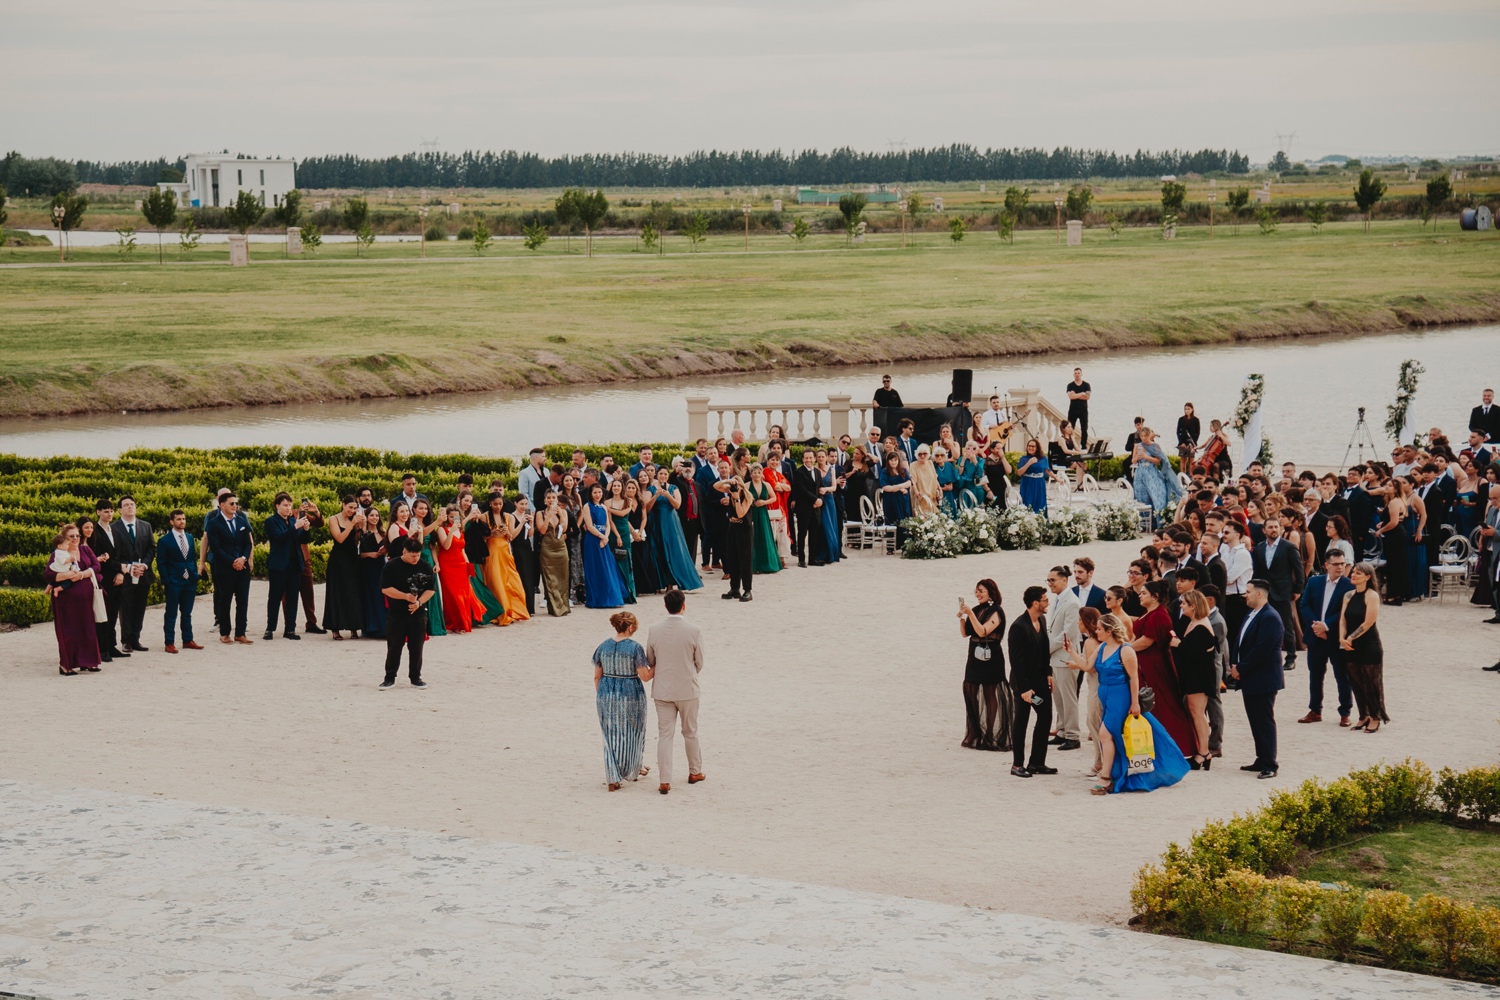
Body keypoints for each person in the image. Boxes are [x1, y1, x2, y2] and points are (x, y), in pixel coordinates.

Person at [1067, 614, 1190, 794]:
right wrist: (1071, 651)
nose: (1096, 631)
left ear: (1110, 630)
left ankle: (1105, 777)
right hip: (1106, 696)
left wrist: (1134, 703)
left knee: (1105, 734)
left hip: (1120, 696)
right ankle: (1112, 773)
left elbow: (1134, 678)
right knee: (1113, 735)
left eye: (1100, 629)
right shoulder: (1102, 647)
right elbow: (1087, 666)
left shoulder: (1126, 650)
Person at [647, 589, 705, 795]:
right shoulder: (694, 630)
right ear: (684, 605)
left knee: (665, 735)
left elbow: (650, 660)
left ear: (665, 606)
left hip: (663, 689)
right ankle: (694, 771)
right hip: (687, 689)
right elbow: (700, 661)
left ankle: (664, 780)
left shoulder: (654, 630)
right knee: (690, 732)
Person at [1129, 580, 1197, 758]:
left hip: (1156, 665)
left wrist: (1124, 650)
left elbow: (1147, 641)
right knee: (1152, 706)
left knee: (1165, 704)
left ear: (1155, 597)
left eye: (1144, 593)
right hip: (1144, 663)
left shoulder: (1159, 615)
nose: (1140, 595)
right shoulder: (1148, 613)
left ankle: (1183, 746)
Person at [1231, 580, 1285, 779]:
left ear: (1259, 594)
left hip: (1263, 677)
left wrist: (1241, 668)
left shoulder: (1270, 617)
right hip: (1250, 676)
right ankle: (1261, 758)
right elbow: (1241, 641)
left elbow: (1262, 649)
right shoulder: (1252, 614)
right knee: (1255, 720)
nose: (1245, 595)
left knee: (1264, 721)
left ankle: (1270, 763)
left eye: (1248, 592)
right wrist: (1235, 663)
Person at [593, 611, 653, 791]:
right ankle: (632, 768)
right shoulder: (635, 648)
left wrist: (603, 694)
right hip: (630, 693)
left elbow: (597, 676)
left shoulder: (603, 646)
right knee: (633, 732)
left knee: (610, 734)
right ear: (631, 627)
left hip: (606, 693)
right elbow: (645, 676)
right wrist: (658, 665)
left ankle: (613, 777)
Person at [1298, 549, 1354, 727]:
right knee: (1315, 675)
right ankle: (1315, 710)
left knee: (1342, 676)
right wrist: (1316, 626)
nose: (1340, 567)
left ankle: (1345, 712)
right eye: (1336, 564)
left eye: (1342, 564)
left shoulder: (1349, 585)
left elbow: (1346, 611)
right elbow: (1304, 604)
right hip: (1316, 636)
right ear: (1326, 565)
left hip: (1336, 637)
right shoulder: (1314, 582)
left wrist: (1326, 626)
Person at [1007, 586, 1055, 778]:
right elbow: (1016, 661)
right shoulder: (1018, 627)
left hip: (1040, 681)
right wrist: (1024, 689)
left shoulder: (1041, 620)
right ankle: (1017, 764)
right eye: (1045, 600)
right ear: (1035, 603)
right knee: (1021, 721)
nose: (1048, 603)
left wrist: (1048, 672)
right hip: (1024, 685)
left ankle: (1036, 762)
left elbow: (1045, 649)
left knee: (1045, 717)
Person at [958, 579, 1010, 752]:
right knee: (970, 690)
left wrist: (970, 615)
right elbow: (966, 633)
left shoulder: (996, 611)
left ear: (990, 592)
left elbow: (983, 631)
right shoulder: (976, 609)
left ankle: (989, 735)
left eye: (981, 591)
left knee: (990, 693)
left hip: (991, 656)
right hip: (974, 655)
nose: (977, 594)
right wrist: (962, 618)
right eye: (976, 591)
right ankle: (975, 732)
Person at [44, 523, 104, 674]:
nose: (75, 538)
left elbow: (97, 566)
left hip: (86, 600)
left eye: (77, 535)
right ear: (64, 538)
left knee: (87, 629)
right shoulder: (58, 554)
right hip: (66, 601)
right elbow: (48, 574)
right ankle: (66, 665)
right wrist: (67, 575)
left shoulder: (85, 549)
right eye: (71, 536)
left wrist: (82, 574)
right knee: (69, 632)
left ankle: (88, 662)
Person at [378, 537, 433, 688]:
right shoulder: (391, 566)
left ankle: (415, 677)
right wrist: (405, 596)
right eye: (412, 555)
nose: (416, 559)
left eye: (418, 555)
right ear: (404, 552)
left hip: (418, 613)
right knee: (394, 646)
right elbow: (385, 589)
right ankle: (389, 677)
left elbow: (430, 589)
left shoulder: (425, 566)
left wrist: (419, 602)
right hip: (397, 613)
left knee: (417, 647)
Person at [1340, 563, 1389, 731]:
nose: (1353, 575)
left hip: (1369, 644)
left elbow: (1368, 622)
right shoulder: (1348, 595)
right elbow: (1343, 620)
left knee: (1372, 683)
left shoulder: (1372, 595)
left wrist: (1350, 638)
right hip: (1349, 644)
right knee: (1356, 682)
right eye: (1353, 572)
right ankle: (1363, 715)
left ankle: (1375, 716)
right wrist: (1341, 639)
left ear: (1367, 577)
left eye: (1358, 573)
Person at [1170, 590, 1216, 769]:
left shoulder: (1202, 626)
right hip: (1193, 675)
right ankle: (1201, 751)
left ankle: (1204, 752)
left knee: (1198, 713)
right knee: (1195, 712)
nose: (1181, 606)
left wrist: (1179, 644)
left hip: (1200, 676)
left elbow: (1198, 654)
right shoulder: (1193, 622)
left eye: (1184, 603)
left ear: (1193, 606)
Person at [1253, 515, 1304, 670]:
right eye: (1270, 527)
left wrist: (1298, 589)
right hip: (1265, 593)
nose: (1274, 530)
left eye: (1276, 527)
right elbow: (1258, 571)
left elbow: (1299, 569)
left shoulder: (1288, 547)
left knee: (1286, 626)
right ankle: (1267, 656)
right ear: (1264, 530)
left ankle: (1291, 657)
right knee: (1265, 625)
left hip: (1283, 592)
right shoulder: (1260, 547)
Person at [205, 492, 254, 645]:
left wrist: (243, 559)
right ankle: (225, 633)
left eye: (236, 503)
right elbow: (216, 548)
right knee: (224, 601)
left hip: (242, 567)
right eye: (231, 503)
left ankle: (240, 633)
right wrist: (232, 561)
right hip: (224, 569)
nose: (235, 506)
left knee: (243, 601)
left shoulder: (241, 521)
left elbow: (248, 543)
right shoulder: (213, 523)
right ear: (222, 505)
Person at [109, 495, 155, 652]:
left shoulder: (145, 526)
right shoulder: (114, 528)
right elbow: (114, 552)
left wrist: (144, 565)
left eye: (132, 504)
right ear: (120, 510)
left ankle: (136, 639)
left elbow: (151, 548)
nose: (130, 506)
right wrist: (128, 567)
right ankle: (126, 640)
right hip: (125, 574)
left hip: (143, 573)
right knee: (126, 609)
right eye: (126, 505)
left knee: (140, 608)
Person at [1044, 566, 1083, 752]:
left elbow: (1069, 632)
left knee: (1068, 698)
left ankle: (1073, 735)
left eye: (1053, 580)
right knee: (1058, 697)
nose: (1050, 584)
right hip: (1056, 657)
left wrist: (1047, 648)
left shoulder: (1072, 602)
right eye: (1048, 580)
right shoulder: (1058, 600)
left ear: (1064, 580)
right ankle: (1062, 730)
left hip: (1067, 657)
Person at [263, 492, 310, 642]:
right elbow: (279, 537)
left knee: (293, 598)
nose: (288, 508)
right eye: (285, 505)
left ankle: (290, 629)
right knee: (274, 598)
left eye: (290, 505)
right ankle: (270, 628)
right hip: (278, 565)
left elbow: (303, 540)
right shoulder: (271, 521)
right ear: (277, 506)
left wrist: (306, 529)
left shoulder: (293, 521)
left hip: (294, 565)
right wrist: (296, 527)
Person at [153, 508, 201, 654]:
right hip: (173, 581)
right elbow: (161, 562)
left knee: (187, 613)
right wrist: (166, 580)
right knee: (171, 613)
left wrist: (194, 574)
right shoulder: (164, 540)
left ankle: (187, 640)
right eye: (179, 519)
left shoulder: (190, 537)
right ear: (172, 522)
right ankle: (169, 642)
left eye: (183, 519)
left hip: (189, 581)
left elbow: (192, 557)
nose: (182, 522)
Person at [649, 465, 703, 591]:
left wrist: (668, 495)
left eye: (665, 474)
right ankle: (660, 582)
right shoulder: (651, 489)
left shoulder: (674, 488)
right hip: (657, 522)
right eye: (661, 474)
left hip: (671, 522)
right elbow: (647, 508)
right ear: (657, 475)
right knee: (658, 550)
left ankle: (672, 583)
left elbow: (677, 505)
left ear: (668, 476)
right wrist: (655, 496)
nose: (663, 476)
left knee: (674, 550)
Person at [87, 499, 125, 661]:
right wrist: (120, 567)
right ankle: (102, 649)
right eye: (105, 511)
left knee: (114, 613)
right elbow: (97, 558)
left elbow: (120, 554)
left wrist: (121, 573)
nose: (109, 514)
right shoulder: (94, 532)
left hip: (117, 578)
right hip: (102, 579)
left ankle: (111, 645)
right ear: (98, 512)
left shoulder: (115, 530)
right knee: (103, 614)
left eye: (111, 511)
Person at [581, 483, 627, 609]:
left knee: (607, 567)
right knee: (595, 568)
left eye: (599, 492)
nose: (597, 495)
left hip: (604, 540)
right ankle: (597, 598)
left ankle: (610, 597)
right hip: (592, 540)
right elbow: (589, 526)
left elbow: (607, 524)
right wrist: (602, 537)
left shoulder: (604, 507)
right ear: (591, 494)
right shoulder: (587, 506)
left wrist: (605, 537)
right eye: (595, 492)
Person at [409, 499, 448, 636]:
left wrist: (436, 563)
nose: (423, 511)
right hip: (418, 558)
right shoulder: (412, 523)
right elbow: (422, 534)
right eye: (421, 508)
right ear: (414, 509)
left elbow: (432, 547)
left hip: (429, 559)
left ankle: (434, 625)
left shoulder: (428, 523)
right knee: (421, 589)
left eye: (426, 508)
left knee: (432, 589)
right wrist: (437, 522)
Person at [1131, 428, 1182, 524]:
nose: (1143, 438)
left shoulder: (1155, 446)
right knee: (1142, 497)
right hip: (1140, 473)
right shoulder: (1137, 446)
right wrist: (1136, 458)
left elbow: (1158, 460)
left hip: (1151, 472)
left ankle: (1159, 520)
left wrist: (1147, 457)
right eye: (1142, 436)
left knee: (1156, 495)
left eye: (1145, 436)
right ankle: (1144, 522)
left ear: (1149, 435)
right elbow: (1133, 461)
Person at [537, 491, 572, 617]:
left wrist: (560, 515)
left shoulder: (563, 512)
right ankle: (554, 607)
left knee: (563, 577)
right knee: (550, 579)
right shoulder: (540, 513)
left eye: (553, 497)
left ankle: (563, 606)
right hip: (547, 547)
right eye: (549, 497)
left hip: (561, 547)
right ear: (545, 500)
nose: (551, 500)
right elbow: (542, 530)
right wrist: (548, 516)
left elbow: (565, 528)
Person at [1374, 479, 1409, 605]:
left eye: (1390, 485)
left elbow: (1394, 522)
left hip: (1395, 535)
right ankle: (1395, 594)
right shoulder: (1394, 501)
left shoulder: (1394, 502)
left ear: (1396, 489)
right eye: (1386, 485)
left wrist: (1381, 530)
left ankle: (1394, 595)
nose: (1387, 487)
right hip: (1395, 534)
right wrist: (1382, 523)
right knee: (1395, 564)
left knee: (1395, 565)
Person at [746, 464, 782, 574]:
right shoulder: (747, 485)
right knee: (752, 537)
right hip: (751, 513)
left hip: (763, 513)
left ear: (762, 474)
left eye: (759, 472)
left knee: (765, 535)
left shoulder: (766, 485)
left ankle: (767, 564)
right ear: (751, 474)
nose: (757, 475)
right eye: (754, 473)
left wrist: (764, 502)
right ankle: (753, 565)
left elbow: (774, 498)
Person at [358, 507, 388, 639]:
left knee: (382, 596)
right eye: (371, 515)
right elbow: (357, 554)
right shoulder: (361, 533)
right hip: (368, 568)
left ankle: (383, 628)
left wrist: (385, 550)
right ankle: (371, 628)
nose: (375, 518)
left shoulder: (383, 532)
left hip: (381, 566)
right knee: (370, 595)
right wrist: (370, 554)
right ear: (366, 517)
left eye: (377, 515)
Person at [876, 452, 912, 546]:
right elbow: (885, 487)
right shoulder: (885, 472)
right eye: (891, 460)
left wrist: (898, 487)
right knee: (892, 521)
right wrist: (900, 488)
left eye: (895, 460)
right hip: (891, 500)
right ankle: (891, 546)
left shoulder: (903, 470)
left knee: (904, 521)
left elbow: (909, 482)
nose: (893, 462)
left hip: (903, 501)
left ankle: (905, 545)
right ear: (888, 461)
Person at [816, 451, 843, 564]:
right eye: (819, 457)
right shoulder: (814, 469)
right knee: (822, 527)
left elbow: (834, 487)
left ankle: (832, 553)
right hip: (819, 500)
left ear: (826, 457)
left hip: (829, 500)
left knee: (831, 525)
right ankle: (822, 554)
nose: (821, 458)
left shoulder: (831, 470)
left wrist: (826, 489)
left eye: (823, 456)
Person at [1016, 438, 1050, 515]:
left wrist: (1057, 479)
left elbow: (1047, 470)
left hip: (1039, 483)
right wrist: (1029, 463)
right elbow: (1019, 473)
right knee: (1027, 502)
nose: (1030, 448)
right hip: (1027, 483)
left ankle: (1040, 519)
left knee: (1039, 503)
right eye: (1029, 446)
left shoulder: (1043, 458)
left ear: (1037, 448)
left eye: (1033, 446)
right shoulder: (1023, 459)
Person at [910, 445, 940, 515]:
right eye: (920, 454)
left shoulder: (930, 463)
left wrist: (939, 488)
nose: (922, 456)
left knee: (934, 517)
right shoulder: (913, 465)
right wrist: (916, 492)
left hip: (932, 496)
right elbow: (913, 481)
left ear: (928, 454)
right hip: (921, 497)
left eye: (924, 453)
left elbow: (935, 478)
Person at [982, 443, 1012, 509]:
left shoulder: (1002, 460)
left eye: (1001, 448)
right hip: (991, 487)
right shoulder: (986, 461)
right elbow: (982, 477)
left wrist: (1003, 457)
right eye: (998, 448)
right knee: (991, 507)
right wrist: (988, 490)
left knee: (1002, 508)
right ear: (992, 449)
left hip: (1001, 487)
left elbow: (1009, 471)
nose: (1000, 450)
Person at [1065, 367, 1091, 445]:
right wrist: (1082, 393)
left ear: (1081, 374)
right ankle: (1070, 445)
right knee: (1069, 428)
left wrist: (1075, 395)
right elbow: (1071, 397)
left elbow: (1087, 397)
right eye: (1075, 373)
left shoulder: (1086, 385)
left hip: (1083, 410)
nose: (1077, 375)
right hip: (1073, 410)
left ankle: (1083, 446)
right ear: (1073, 375)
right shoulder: (1070, 385)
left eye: (1078, 373)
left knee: (1084, 429)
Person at [1175, 403, 1201, 468]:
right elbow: (1178, 432)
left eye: (1188, 409)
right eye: (1185, 409)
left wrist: (1192, 443)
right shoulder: (1181, 419)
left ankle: (1191, 474)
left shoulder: (1196, 420)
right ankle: (1182, 474)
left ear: (1192, 409)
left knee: (1191, 462)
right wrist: (1181, 442)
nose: (1187, 411)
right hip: (1183, 443)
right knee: (1183, 461)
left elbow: (1197, 433)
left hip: (1192, 443)